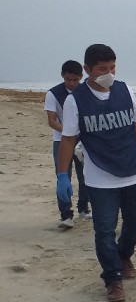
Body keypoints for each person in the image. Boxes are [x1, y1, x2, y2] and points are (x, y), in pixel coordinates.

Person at [56, 44, 136, 302]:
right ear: (87, 70)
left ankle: (123, 255)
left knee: (134, 222)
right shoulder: (75, 101)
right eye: (102, 69)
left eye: (112, 67)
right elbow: (67, 140)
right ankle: (112, 278)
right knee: (105, 229)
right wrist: (62, 175)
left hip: (133, 170)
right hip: (100, 175)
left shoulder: (124, 90)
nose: (108, 73)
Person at [45, 59, 91, 227]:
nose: (71, 83)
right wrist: (67, 132)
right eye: (68, 80)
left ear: (81, 77)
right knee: (63, 177)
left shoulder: (86, 92)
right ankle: (66, 215)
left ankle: (83, 209)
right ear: (62, 76)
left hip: (83, 141)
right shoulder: (53, 94)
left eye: (75, 80)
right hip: (61, 140)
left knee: (85, 175)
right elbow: (51, 120)